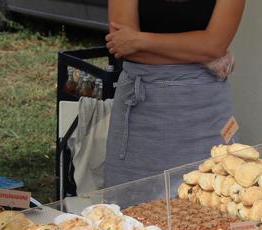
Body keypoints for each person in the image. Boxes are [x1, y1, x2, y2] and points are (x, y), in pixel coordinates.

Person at [104, 0, 246, 187]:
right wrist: (198, 54)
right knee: (129, 205)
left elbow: (214, 45)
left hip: (205, 112)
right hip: (142, 112)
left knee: (209, 202)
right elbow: (123, 46)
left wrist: (141, 40)